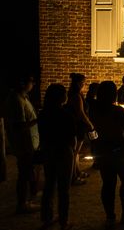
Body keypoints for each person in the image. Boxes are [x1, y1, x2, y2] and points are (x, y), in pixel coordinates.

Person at [89, 81, 124, 229]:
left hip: (103, 151)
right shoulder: (117, 110)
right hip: (120, 150)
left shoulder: (94, 110)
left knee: (108, 184)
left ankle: (110, 217)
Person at [38, 84, 76, 230]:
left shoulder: (43, 114)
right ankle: (63, 221)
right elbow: (71, 138)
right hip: (63, 151)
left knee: (49, 185)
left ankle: (47, 218)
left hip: (48, 150)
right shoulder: (66, 114)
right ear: (61, 97)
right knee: (63, 188)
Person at [3, 73, 41, 214]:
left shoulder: (23, 98)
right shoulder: (16, 100)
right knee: (24, 173)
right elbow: (19, 125)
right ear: (23, 83)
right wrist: (38, 120)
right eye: (31, 82)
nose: (33, 85)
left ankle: (29, 197)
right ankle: (22, 203)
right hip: (23, 143)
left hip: (29, 142)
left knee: (28, 170)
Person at [66, 73, 94, 185]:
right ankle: (73, 177)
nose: (84, 84)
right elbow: (80, 112)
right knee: (75, 152)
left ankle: (77, 172)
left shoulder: (75, 94)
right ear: (79, 83)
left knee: (76, 152)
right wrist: (90, 124)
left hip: (77, 125)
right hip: (78, 126)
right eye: (83, 82)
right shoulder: (76, 95)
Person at [85, 82, 100, 169]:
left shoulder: (88, 99)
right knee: (95, 144)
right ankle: (96, 162)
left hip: (91, 125)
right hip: (93, 126)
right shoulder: (93, 101)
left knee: (94, 144)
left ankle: (96, 161)